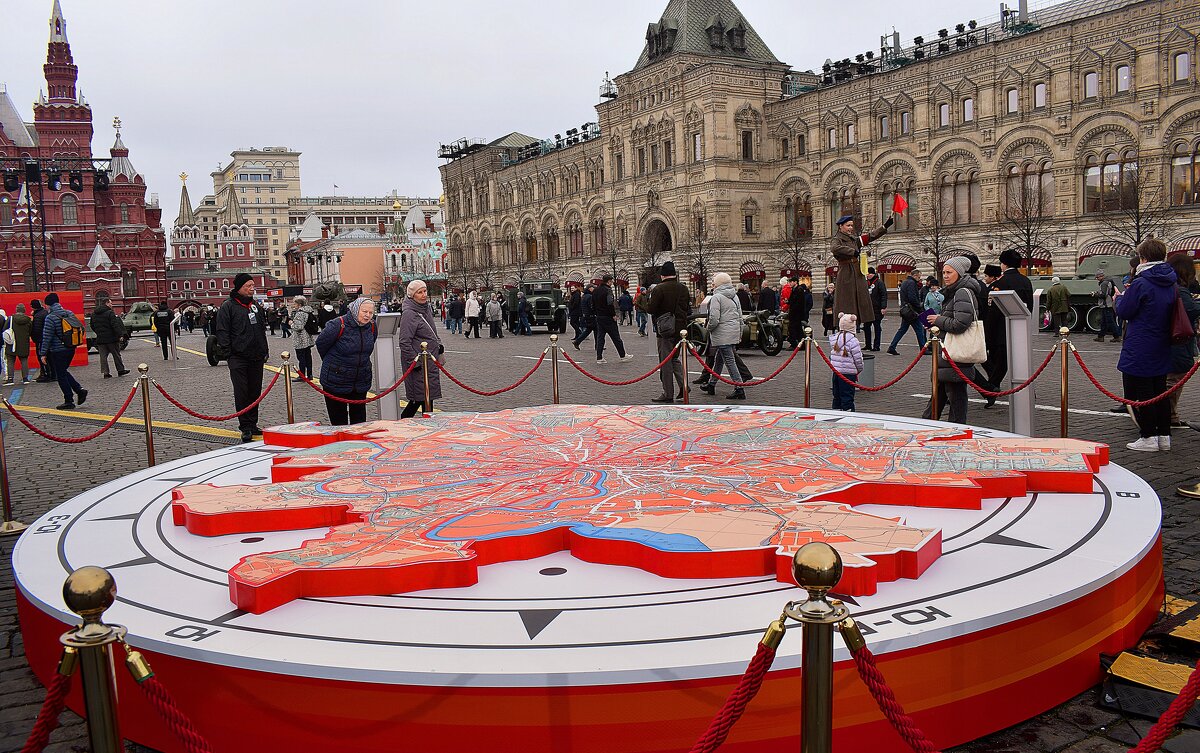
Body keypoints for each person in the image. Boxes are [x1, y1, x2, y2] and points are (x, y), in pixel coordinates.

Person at [1116, 239, 1178, 451]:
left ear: (1143, 258)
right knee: (1159, 391)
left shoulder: (1141, 282)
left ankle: (1148, 436)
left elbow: (1125, 311)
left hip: (1141, 343)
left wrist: (1119, 299)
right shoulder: (1171, 281)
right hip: (1162, 342)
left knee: (1144, 391)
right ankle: (1164, 436)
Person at [921, 257, 980, 425]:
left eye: (949, 272)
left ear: (959, 273)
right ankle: (926, 426)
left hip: (956, 355)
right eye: (944, 272)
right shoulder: (954, 291)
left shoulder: (962, 292)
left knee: (956, 398)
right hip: (948, 355)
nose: (945, 276)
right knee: (941, 394)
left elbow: (961, 323)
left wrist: (938, 320)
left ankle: (955, 431)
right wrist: (935, 324)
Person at [214, 273, 269, 443]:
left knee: (255, 392)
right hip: (238, 358)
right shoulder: (228, 307)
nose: (252, 288)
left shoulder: (255, 307)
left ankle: (253, 424)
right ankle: (245, 427)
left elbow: (261, 330)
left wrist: (264, 350)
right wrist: (229, 353)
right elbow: (222, 332)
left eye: (253, 285)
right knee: (242, 393)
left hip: (256, 357)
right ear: (239, 287)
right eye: (248, 286)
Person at [981, 249, 1035, 398]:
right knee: (1020, 362)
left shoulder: (1001, 283)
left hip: (1000, 331)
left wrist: (988, 333)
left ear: (1004, 264)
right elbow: (1029, 306)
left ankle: (991, 387)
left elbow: (993, 312)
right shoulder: (1026, 281)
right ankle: (1025, 389)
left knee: (999, 362)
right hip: (1020, 328)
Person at [316, 297, 377, 426]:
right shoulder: (338, 325)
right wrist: (335, 364)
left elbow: (369, 346)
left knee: (359, 424)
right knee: (339, 424)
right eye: (364, 311)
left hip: (360, 381)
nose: (367, 315)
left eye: (370, 313)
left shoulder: (371, 326)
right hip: (336, 380)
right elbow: (321, 344)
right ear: (355, 310)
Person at [831, 214, 893, 326]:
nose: (850, 228)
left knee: (861, 298)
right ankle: (846, 324)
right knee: (847, 301)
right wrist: (852, 252)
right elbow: (834, 248)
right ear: (841, 226)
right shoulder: (837, 239)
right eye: (848, 225)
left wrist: (884, 226)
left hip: (856, 271)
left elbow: (870, 236)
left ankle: (858, 320)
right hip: (846, 272)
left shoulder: (854, 240)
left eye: (851, 226)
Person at [647, 261, 691, 403]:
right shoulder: (684, 288)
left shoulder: (659, 289)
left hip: (665, 329)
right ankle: (683, 385)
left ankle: (668, 393)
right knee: (675, 359)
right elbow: (687, 309)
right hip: (681, 330)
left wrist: (641, 303)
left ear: (662, 275)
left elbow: (651, 309)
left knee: (665, 361)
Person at [398, 280, 442, 418]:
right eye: (419, 292)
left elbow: (431, 331)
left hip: (430, 361)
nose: (424, 295)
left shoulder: (426, 308)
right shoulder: (409, 313)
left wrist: (438, 344)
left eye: (425, 291)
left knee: (428, 399)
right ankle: (403, 426)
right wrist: (414, 362)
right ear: (412, 295)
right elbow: (404, 341)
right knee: (418, 399)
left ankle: (428, 429)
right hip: (419, 364)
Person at [700, 273, 746, 400]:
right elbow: (739, 316)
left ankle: (739, 387)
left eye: (714, 282)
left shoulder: (717, 297)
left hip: (722, 333)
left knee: (729, 361)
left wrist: (708, 328)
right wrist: (740, 332)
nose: (712, 285)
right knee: (719, 359)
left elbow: (714, 319)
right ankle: (712, 384)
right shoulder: (734, 296)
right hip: (733, 331)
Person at [1166, 253, 1199, 430]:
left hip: (1170, 340)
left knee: (1173, 379)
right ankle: (1168, 415)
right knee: (1174, 380)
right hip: (1179, 341)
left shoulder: (1169, 287)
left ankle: (1171, 414)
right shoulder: (1180, 289)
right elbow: (1190, 310)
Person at [40, 293, 87, 410]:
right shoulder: (69, 313)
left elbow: (47, 337)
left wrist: (43, 353)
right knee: (63, 371)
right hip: (71, 348)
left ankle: (69, 400)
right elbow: (81, 327)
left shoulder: (50, 317)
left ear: (48, 305)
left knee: (60, 374)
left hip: (58, 350)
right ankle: (79, 390)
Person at [591, 274, 632, 364]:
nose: (612, 283)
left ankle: (599, 357)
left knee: (600, 337)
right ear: (609, 281)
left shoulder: (596, 290)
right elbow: (610, 303)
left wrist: (596, 313)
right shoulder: (608, 290)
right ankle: (623, 355)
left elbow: (592, 304)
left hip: (599, 317)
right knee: (616, 337)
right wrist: (613, 314)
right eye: (612, 281)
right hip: (608, 317)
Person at [829, 313, 865, 411]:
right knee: (847, 397)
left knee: (837, 396)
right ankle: (849, 414)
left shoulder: (834, 339)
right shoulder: (853, 341)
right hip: (849, 373)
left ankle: (836, 412)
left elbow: (831, 357)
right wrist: (859, 370)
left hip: (836, 372)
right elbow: (858, 359)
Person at [887, 269, 927, 355]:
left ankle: (892, 346)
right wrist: (919, 308)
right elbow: (912, 298)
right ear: (915, 275)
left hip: (906, 310)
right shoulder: (912, 283)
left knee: (902, 329)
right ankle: (923, 349)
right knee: (919, 329)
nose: (919, 279)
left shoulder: (905, 282)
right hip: (911, 311)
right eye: (919, 277)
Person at [89, 296, 129, 379]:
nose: (112, 305)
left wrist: (99, 332)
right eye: (111, 303)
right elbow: (115, 325)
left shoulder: (94, 314)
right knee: (116, 355)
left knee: (103, 357)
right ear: (106, 303)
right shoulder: (110, 313)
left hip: (100, 339)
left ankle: (106, 373)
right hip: (111, 338)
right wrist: (120, 335)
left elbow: (92, 325)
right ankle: (120, 370)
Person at [290, 295, 318, 380]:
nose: (293, 305)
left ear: (299, 304)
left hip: (300, 339)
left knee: (301, 358)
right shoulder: (309, 311)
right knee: (308, 357)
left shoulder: (300, 313)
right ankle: (310, 375)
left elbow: (298, 327)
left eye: (294, 303)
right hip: (308, 338)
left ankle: (302, 375)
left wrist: (291, 323)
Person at [4, 304, 33, 385]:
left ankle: (10, 379)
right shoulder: (28, 320)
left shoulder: (11, 319)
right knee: (24, 360)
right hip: (24, 343)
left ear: (16, 310)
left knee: (10, 360)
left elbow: (5, 329)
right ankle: (25, 378)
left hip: (11, 343)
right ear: (24, 310)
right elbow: (31, 331)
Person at [1093, 270, 1121, 342]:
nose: (1097, 279)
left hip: (1106, 304)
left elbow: (1103, 294)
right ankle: (1101, 336)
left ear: (1101, 276)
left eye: (1097, 277)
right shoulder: (1107, 282)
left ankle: (1116, 336)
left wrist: (1095, 294)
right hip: (1107, 304)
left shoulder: (1104, 283)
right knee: (1104, 322)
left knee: (1110, 321)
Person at [30, 299, 54, 383]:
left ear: (33, 307)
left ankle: (46, 375)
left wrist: (35, 339)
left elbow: (36, 330)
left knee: (43, 358)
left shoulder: (38, 316)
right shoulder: (45, 312)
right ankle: (52, 374)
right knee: (49, 357)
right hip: (47, 339)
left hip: (40, 340)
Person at [865, 268, 887, 351]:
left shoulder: (879, 283)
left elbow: (883, 295)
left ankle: (876, 345)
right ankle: (868, 345)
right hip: (867, 309)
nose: (868, 275)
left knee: (877, 327)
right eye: (867, 274)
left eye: (869, 274)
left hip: (877, 309)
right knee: (866, 327)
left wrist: (883, 307)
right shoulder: (866, 283)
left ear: (873, 274)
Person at [787, 281, 813, 348]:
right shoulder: (794, 289)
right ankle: (801, 344)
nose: (790, 283)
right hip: (795, 313)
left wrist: (792, 306)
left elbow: (798, 302)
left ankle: (794, 344)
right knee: (798, 329)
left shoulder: (798, 290)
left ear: (795, 282)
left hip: (796, 314)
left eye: (791, 282)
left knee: (793, 328)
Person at [572, 284, 596, 349]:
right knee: (597, 330)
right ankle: (598, 345)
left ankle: (577, 341)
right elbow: (591, 307)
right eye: (593, 288)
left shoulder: (584, 296)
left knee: (588, 330)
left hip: (586, 316)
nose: (594, 289)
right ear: (590, 288)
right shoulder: (590, 296)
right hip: (591, 316)